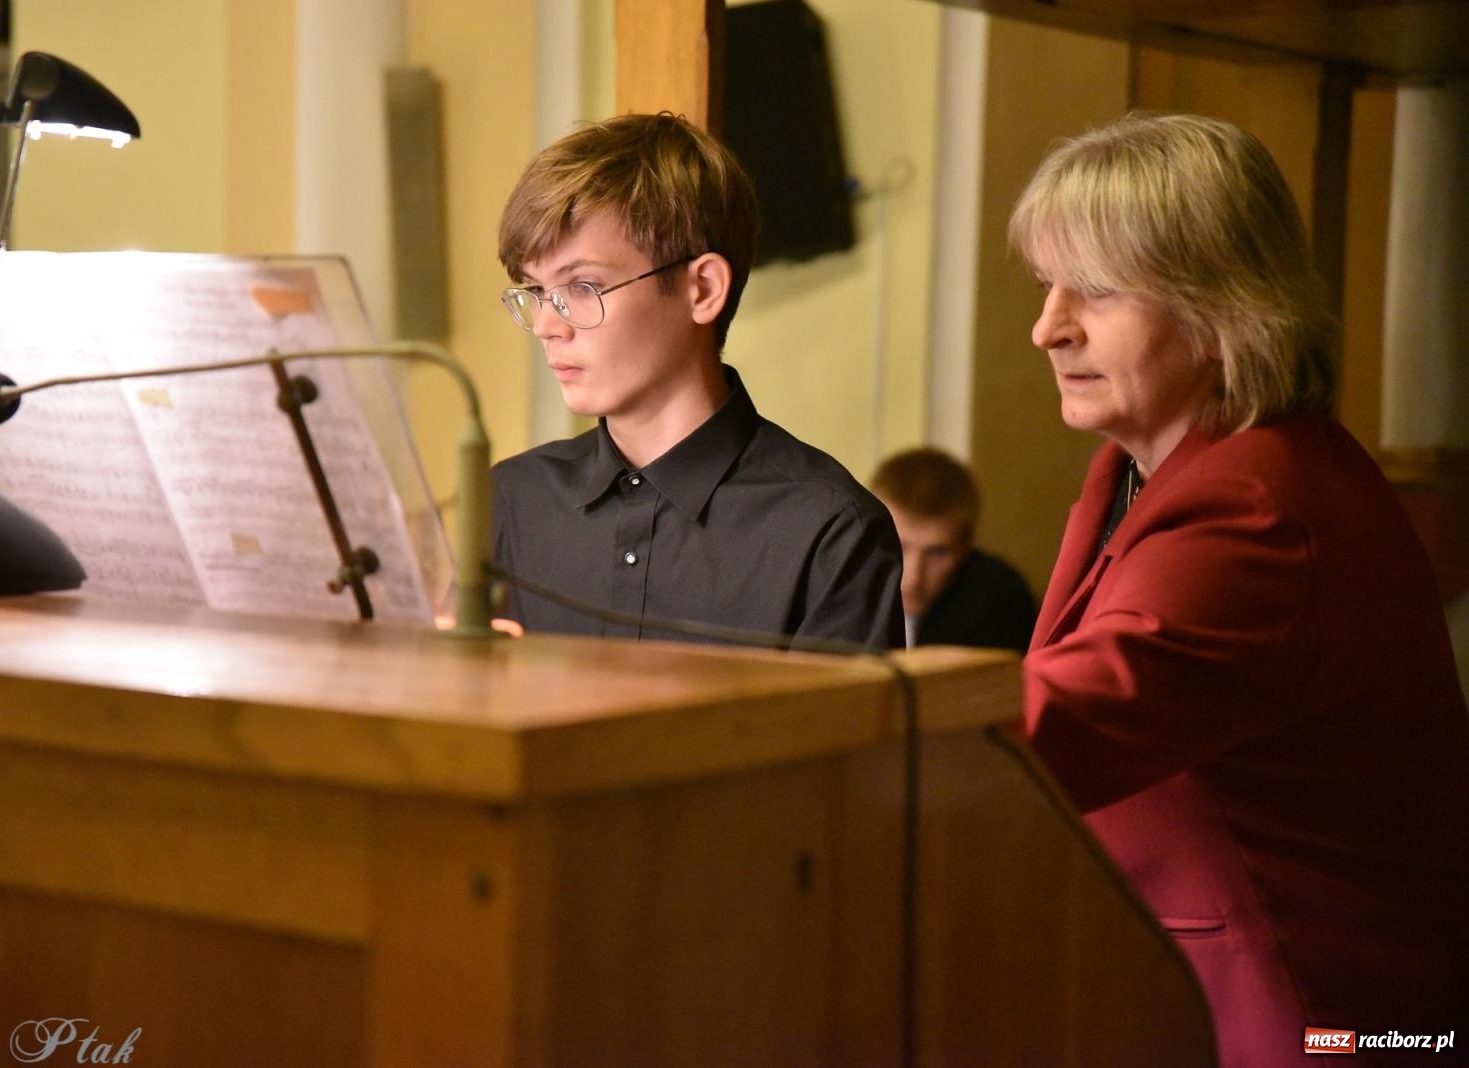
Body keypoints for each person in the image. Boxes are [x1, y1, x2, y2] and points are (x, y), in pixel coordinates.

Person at [1010, 112, 1469, 1067]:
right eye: (1048, 285)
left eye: (1094, 289)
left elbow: (1064, 724)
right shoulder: (1153, 467)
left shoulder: (1258, 507)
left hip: (1320, 1019)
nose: (1048, 326)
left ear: (1223, 312)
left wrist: (828, 722)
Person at [490, 112, 902, 650]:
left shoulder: (830, 534)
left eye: (583, 286)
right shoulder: (511, 501)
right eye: (536, 291)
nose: (547, 325)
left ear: (703, 289)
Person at [869, 447, 1036, 652]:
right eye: (896, 546)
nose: (914, 577)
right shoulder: (840, 583)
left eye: (937, 553)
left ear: (966, 544)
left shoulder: (999, 605)